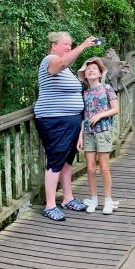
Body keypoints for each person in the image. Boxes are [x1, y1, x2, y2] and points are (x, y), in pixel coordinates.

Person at [34, 31, 96, 221]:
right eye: (65, 44)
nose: (69, 47)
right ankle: (50, 204)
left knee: (67, 160)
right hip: (54, 120)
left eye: (71, 44)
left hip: (71, 120)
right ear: (54, 46)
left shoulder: (67, 67)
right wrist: (84, 45)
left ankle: (68, 198)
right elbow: (60, 64)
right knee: (55, 159)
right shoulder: (50, 60)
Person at [77, 57, 119, 215]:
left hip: (103, 131)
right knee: (90, 168)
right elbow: (84, 116)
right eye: (88, 70)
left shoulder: (107, 88)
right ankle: (93, 198)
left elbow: (115, 109)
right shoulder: (85, 93)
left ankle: (108, 200)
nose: (91, 70)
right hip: (88, 133)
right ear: (85, 76)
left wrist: (100, 115)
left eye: (94, 68)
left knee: (104, 168)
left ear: (100, 73)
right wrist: (80, 136)